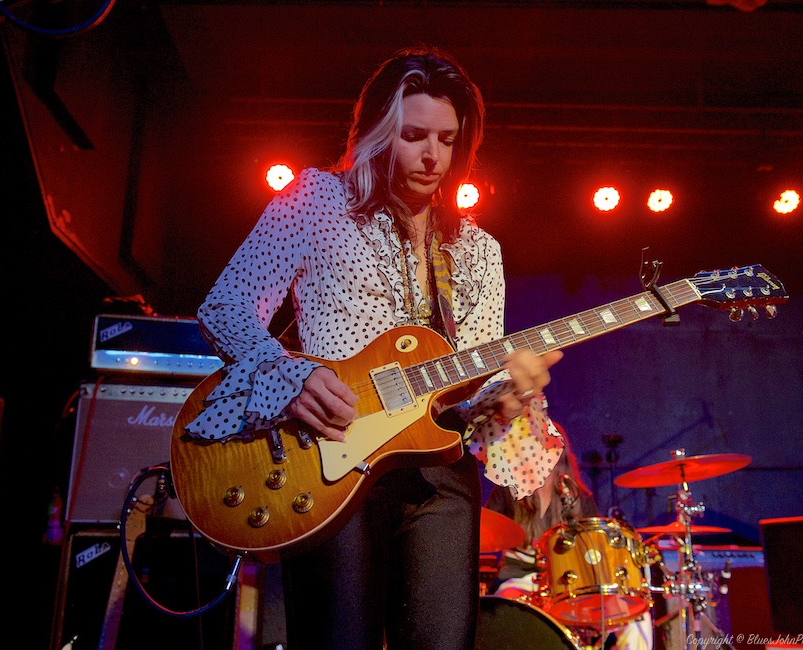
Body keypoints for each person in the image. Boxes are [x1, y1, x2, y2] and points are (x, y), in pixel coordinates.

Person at [183, 46, 565, 650]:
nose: (432, 155)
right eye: (414, 136)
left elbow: (470, 395)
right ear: (377, 134)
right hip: (333, 457)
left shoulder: (478, 249)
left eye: (447, 139)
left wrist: (510, 394)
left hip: (439, 474)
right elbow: (226, 308)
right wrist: (289, 377)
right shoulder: (316, 201)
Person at [484, 423, 654, 650]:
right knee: (508, 605)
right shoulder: (508, 490)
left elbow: (596, 548)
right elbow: (487, 529)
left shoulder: (579, 497)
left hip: (567, 585)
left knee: (637, 617)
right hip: (520, 578)